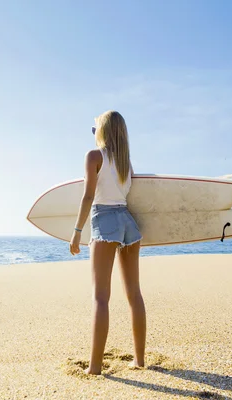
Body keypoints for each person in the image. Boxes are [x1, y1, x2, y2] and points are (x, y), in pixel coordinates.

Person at [69, 110, 146, 375]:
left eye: (95, 130)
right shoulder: (126, 163)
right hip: (128, 222)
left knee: (100, 297)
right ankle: (139, 360)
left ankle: (94, 367)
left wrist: (77, 231)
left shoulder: (94, 157)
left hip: (104, 220)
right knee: (134, 294)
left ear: (101, 131)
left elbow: (88, 196)